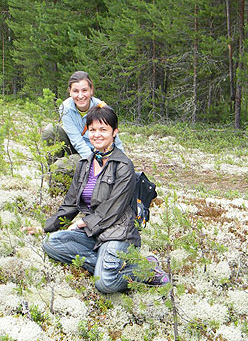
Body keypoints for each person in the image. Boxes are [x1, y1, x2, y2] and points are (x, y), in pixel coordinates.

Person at [41, 104, 167, 293]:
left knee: (105, 284)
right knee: (51, 243)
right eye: (92, 130)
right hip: (94, 233)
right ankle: (107, 265)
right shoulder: (84, 164)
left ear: (114, 132)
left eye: (103, 129)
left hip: (118, 233)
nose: (97, 135)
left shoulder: (124, 166)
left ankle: (146, 269)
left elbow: (112, 211)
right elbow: (69, 205)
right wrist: (45, 227)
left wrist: (82, 223)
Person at [41, 71, 123, 174]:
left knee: (61, 166)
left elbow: (114, 138)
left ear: (91, 90)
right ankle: (52, 174)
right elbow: (76, 141)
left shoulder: (102, 108)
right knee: (51, 130)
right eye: (75, 91)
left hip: (98, 152)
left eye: (84, 90)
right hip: (78, 147)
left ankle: (66, 169)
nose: (80, 96)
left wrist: (122, 163)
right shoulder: (65, 107)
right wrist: (92, 162)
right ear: (70, 92)